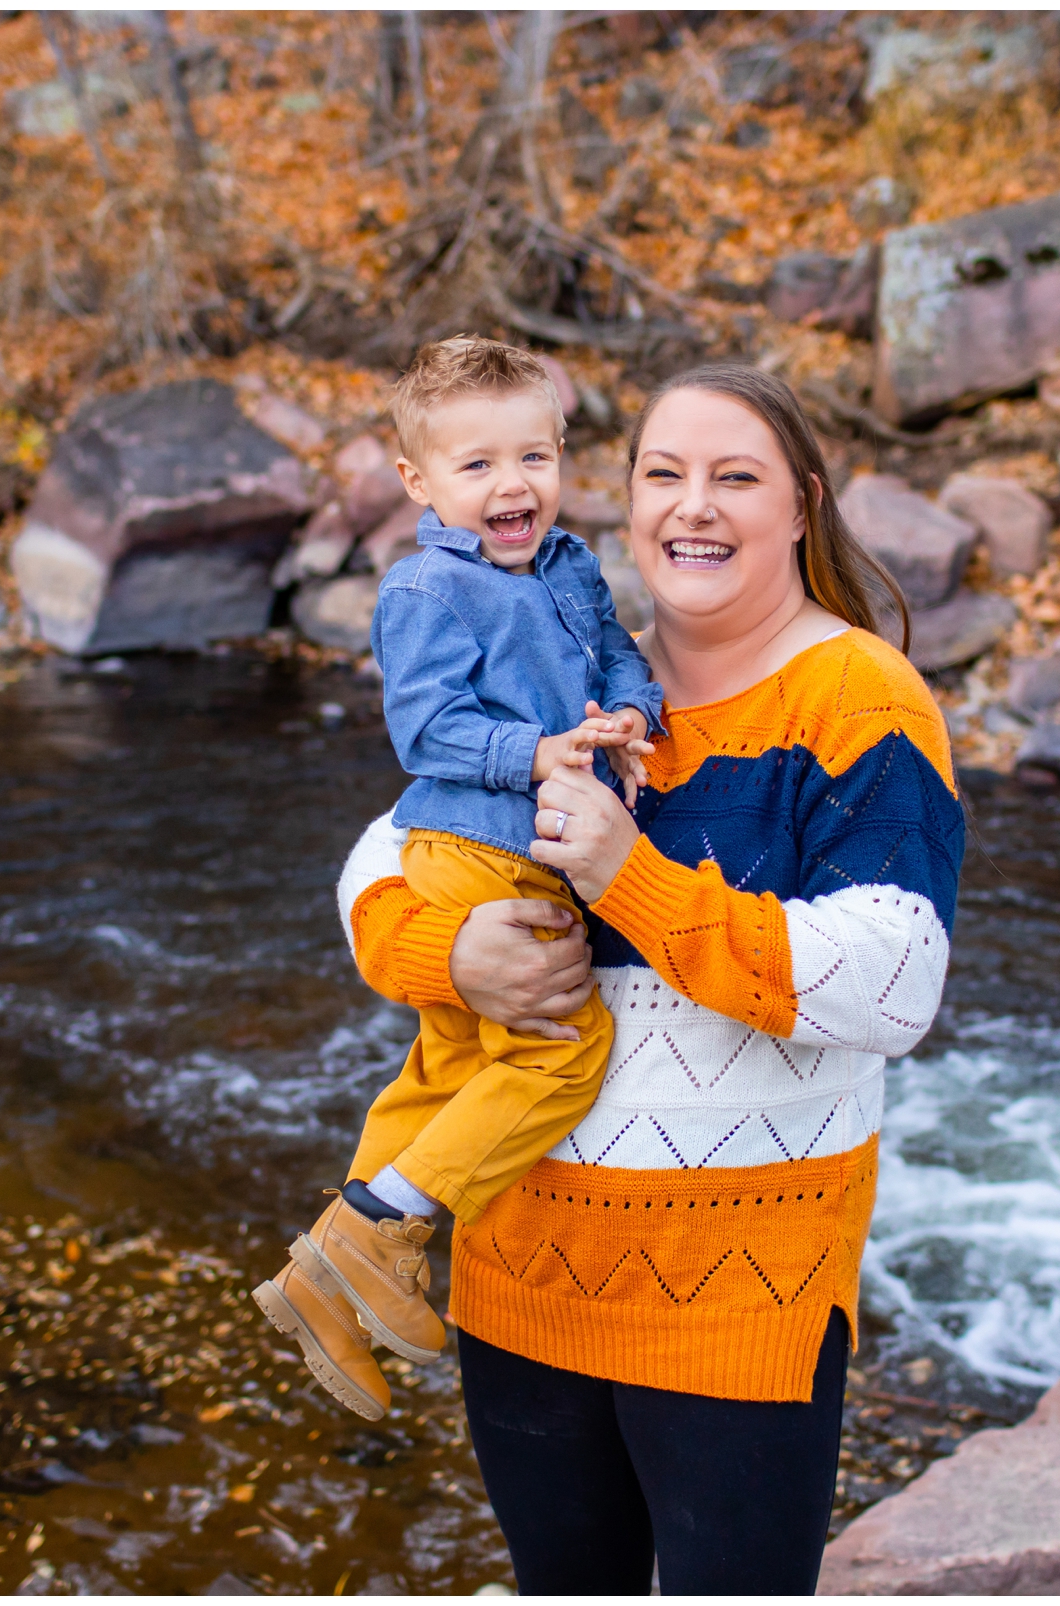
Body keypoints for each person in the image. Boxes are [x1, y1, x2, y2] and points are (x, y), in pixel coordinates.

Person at [333, 364, 966, 1594]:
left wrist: (633, 876)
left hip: (737, 1292)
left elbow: (898, 986)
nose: (695, 507)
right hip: (521, 1272)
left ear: (801, 507)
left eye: (737, 478)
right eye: (663, 476)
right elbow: (384, 853)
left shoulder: (857, 696)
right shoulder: (582, 671)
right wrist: (444, 954)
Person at [254, 337, 663, 1423]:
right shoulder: (426, 587)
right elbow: (426, 728)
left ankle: (324, 1281)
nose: (510, 485)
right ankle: (382, 1231)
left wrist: (632, 712)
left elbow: (618, 652)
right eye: (475, 466)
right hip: (471, 844)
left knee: (447, 1069)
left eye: (532, 456)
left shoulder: (570, 564)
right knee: (561, 1049)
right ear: (417, 483)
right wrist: (535, 751)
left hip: (522, 843)